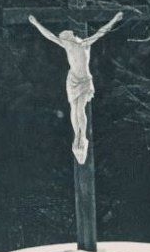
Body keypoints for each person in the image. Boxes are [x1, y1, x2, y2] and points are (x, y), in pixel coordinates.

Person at [28, 12, 123, 165]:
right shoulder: (67, 44)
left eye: (65, 36)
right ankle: (77, 135)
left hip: (84, 81)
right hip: (72, 80)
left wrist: (114, 20)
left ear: (72, 36)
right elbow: (50, 36)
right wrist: (36, 24)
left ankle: (82, 136)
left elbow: (101, 32)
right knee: (74, 108)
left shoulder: (84, 44)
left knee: (80, 109)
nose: (64, 39)